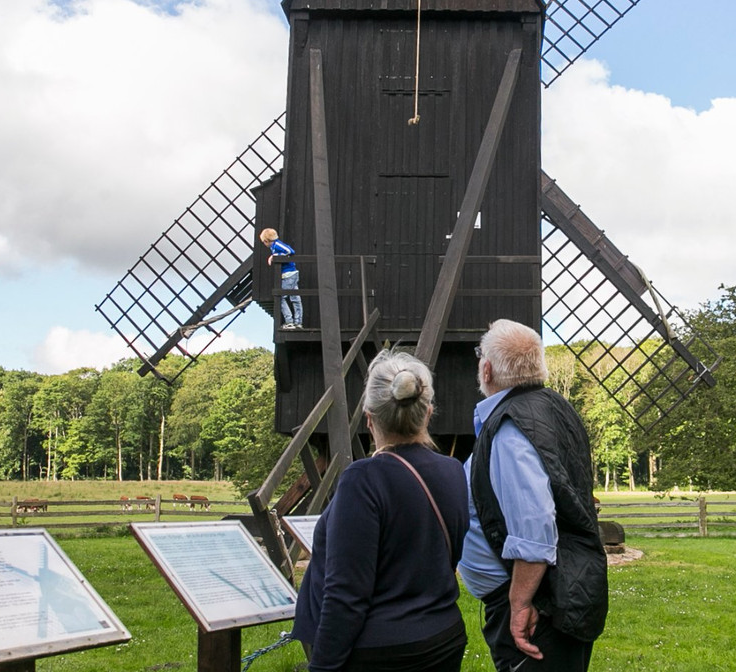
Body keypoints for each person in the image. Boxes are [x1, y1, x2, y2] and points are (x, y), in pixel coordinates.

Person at [293, 350, 469, 672]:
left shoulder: (362, 480)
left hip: (380, 652)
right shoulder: (454, 471)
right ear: (428, 413)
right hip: (442, 638)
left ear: (369, 418)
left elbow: (346, 594)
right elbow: (446, 558)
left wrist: (322, 667)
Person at [459, 319, 607, 672]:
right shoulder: (554, 408)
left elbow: (534, 525)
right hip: (561, 587)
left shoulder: (511, 427)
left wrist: (520, 602)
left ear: (487, 368)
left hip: (537, 605)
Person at [260, 227, 303, 329]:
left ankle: (290, 321)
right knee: (295, 298)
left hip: (289, 275)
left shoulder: (276, 244)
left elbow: (290, 251)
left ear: (266, 241)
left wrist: (275, 256)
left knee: (280, 297)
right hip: (290, 274)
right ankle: (298, 322)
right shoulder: (273, 246)